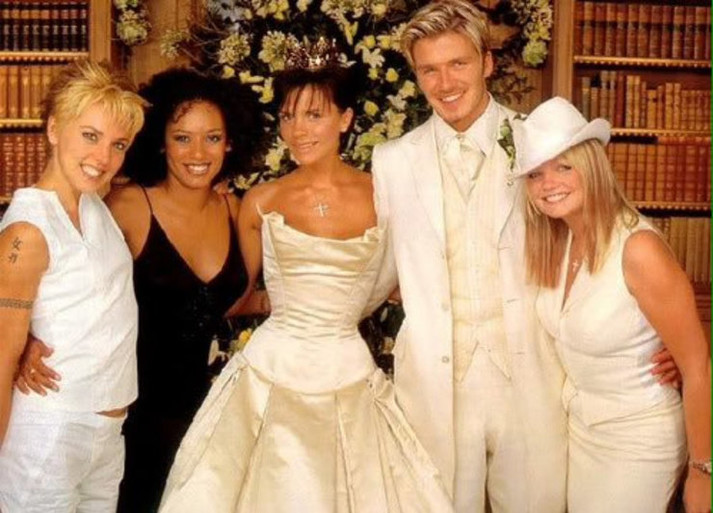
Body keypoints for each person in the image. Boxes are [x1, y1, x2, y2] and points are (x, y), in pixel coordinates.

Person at [368, 1, 682, 512]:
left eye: (458, 63)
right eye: (429, 70)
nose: (445, 83)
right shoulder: (391, 161)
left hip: (535, 384)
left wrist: (660, 338)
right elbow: (380, 273)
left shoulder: (541, 144)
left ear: (487, 63)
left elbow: (608, 233)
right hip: (433, 390)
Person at [158, 45, 453, 512]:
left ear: (345, 119)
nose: (298, 130)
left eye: (314, 115)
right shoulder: (260, 201)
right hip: (268, 371)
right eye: (288, 116)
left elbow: (408, 281)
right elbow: (238, 295)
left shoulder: (385, 197)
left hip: (348, 372)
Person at [15, 68, 266, 512]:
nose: (198, 152)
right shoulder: (125, 205)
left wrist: (323, 301)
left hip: (200, 412)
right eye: (182, 137)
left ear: (230, 143)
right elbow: (46, 264)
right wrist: (24, 338)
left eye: (212, 138)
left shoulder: (233, 207)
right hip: (123, 416)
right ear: (161, 142)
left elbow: (229, 302)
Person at [515, 96, 711, 513]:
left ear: (592, 166)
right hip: (580, 432)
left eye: (564, 167)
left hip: (639, 438)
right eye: (535, 174)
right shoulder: (558, 240)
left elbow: (697, 366)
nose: (548, 184)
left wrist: (703, 471)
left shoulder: (638, 249)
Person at [0, 60, 145, 512]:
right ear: (53, 128)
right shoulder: (28, 230)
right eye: (89, 135)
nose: (103, 157)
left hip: (107, 434)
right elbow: (0, 356)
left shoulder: (95, 206)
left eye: (118, 144)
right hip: (49, 433)